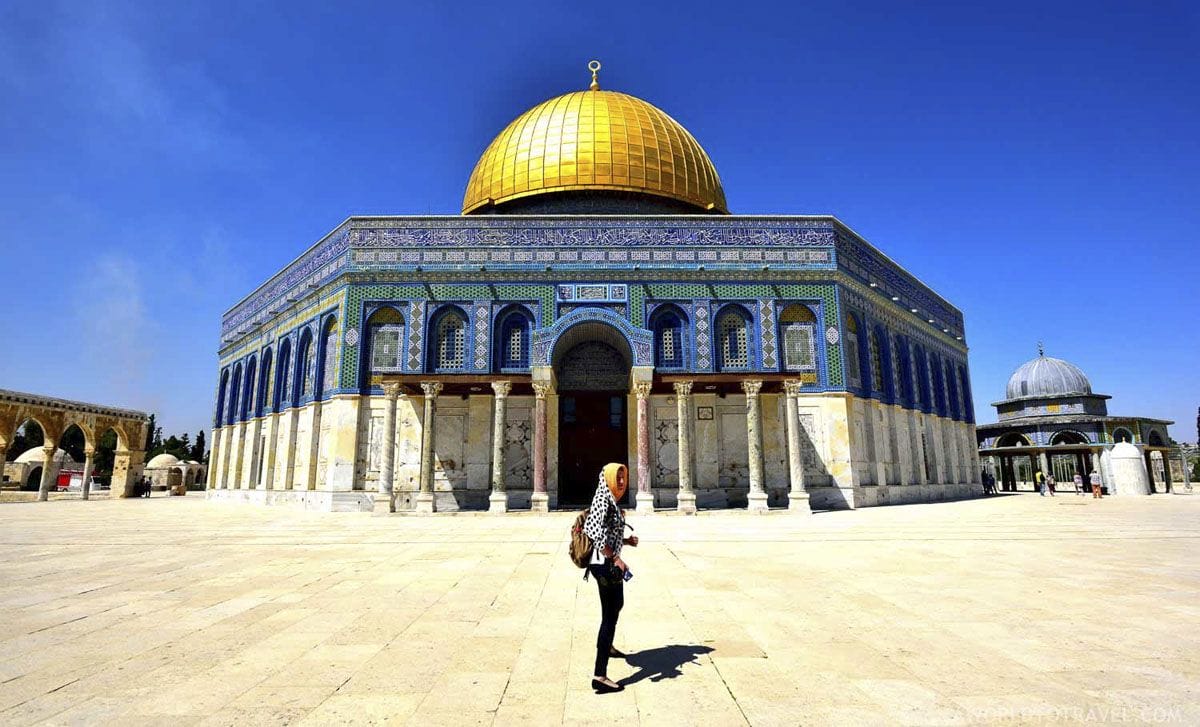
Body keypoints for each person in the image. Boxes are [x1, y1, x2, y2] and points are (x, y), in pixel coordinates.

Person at [582, 463, 638, 694]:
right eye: (619, 478)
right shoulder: (602, 500)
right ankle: (600, 675)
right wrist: (616, 558)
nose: (623, 482)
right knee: (609, 615)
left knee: (616, 606)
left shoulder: (609, 499)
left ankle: (608, 645)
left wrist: (626, 542)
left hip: (606, 563)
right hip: (604, 566)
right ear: (608, 479)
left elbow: (607, 532)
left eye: (624, 478)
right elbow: (593, 532)